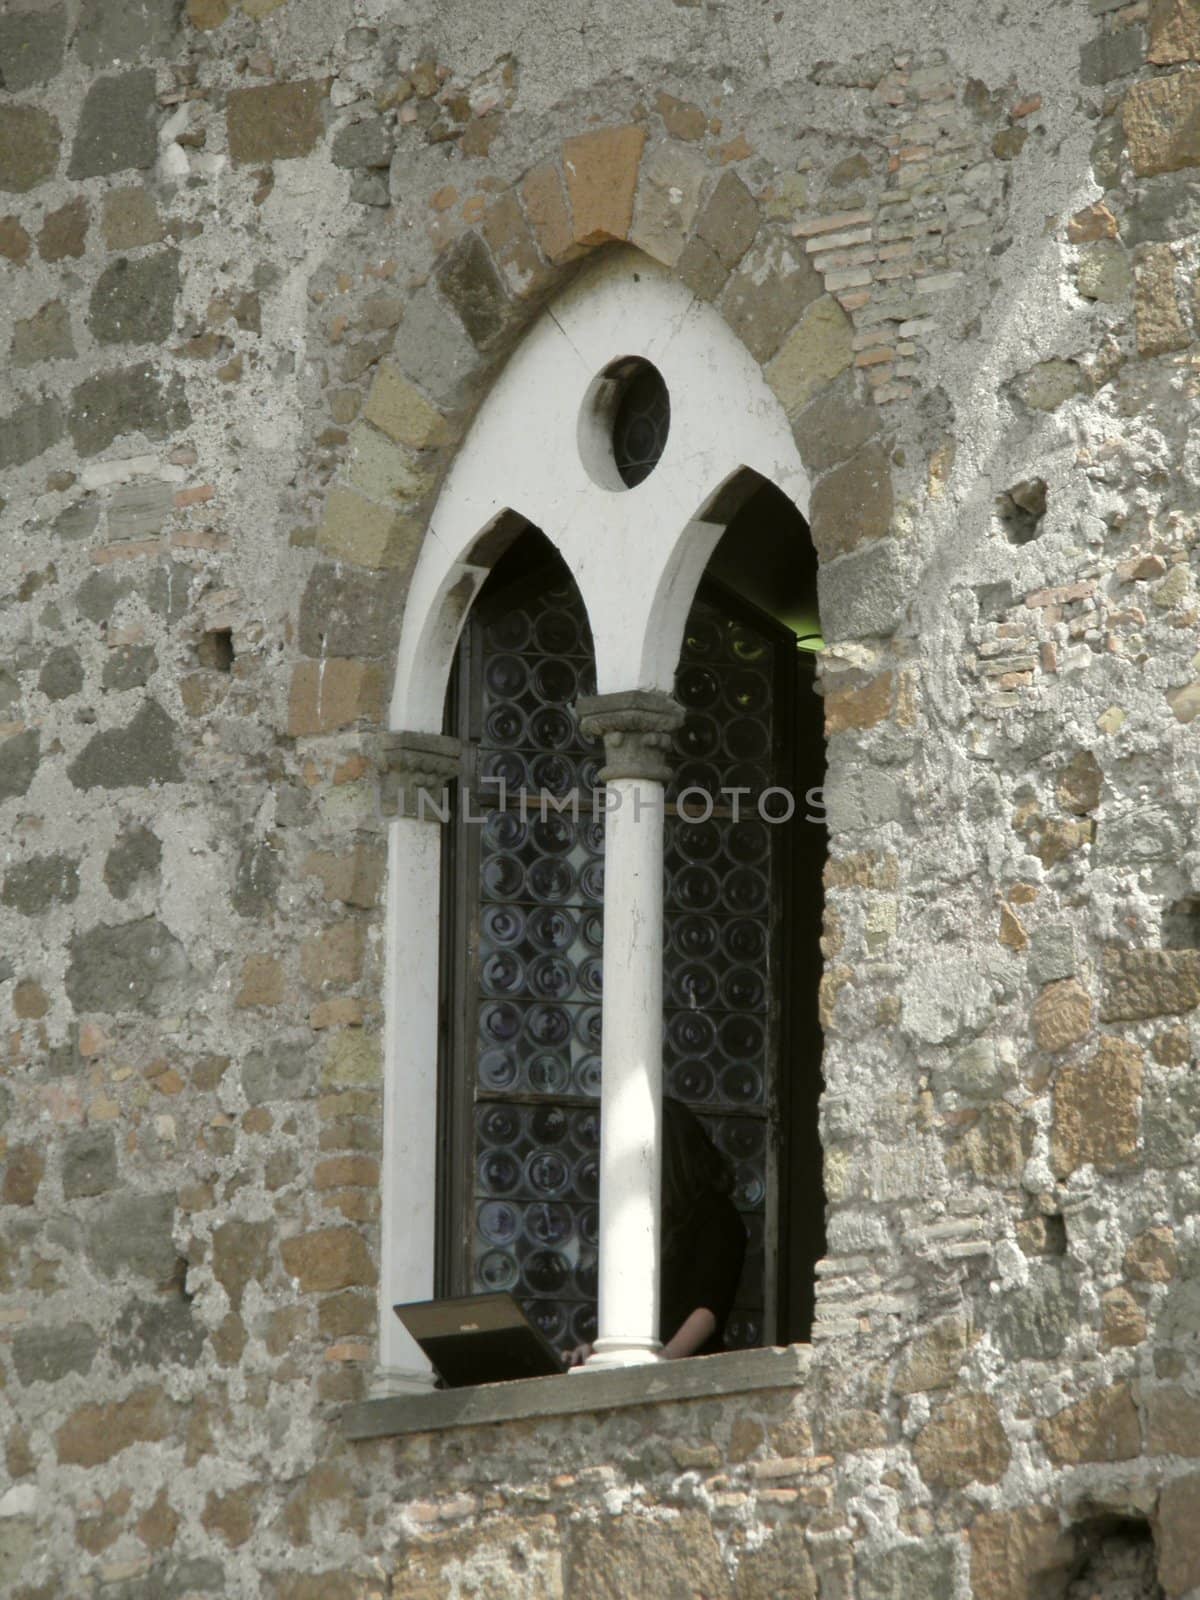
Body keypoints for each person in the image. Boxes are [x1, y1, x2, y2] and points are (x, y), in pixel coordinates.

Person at [567, 1097, 747, 1365]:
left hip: (688, 1374)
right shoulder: (644, 1220)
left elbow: (707, 1310)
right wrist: (595, 1352)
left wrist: (661, 1362)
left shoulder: (716, 1216)